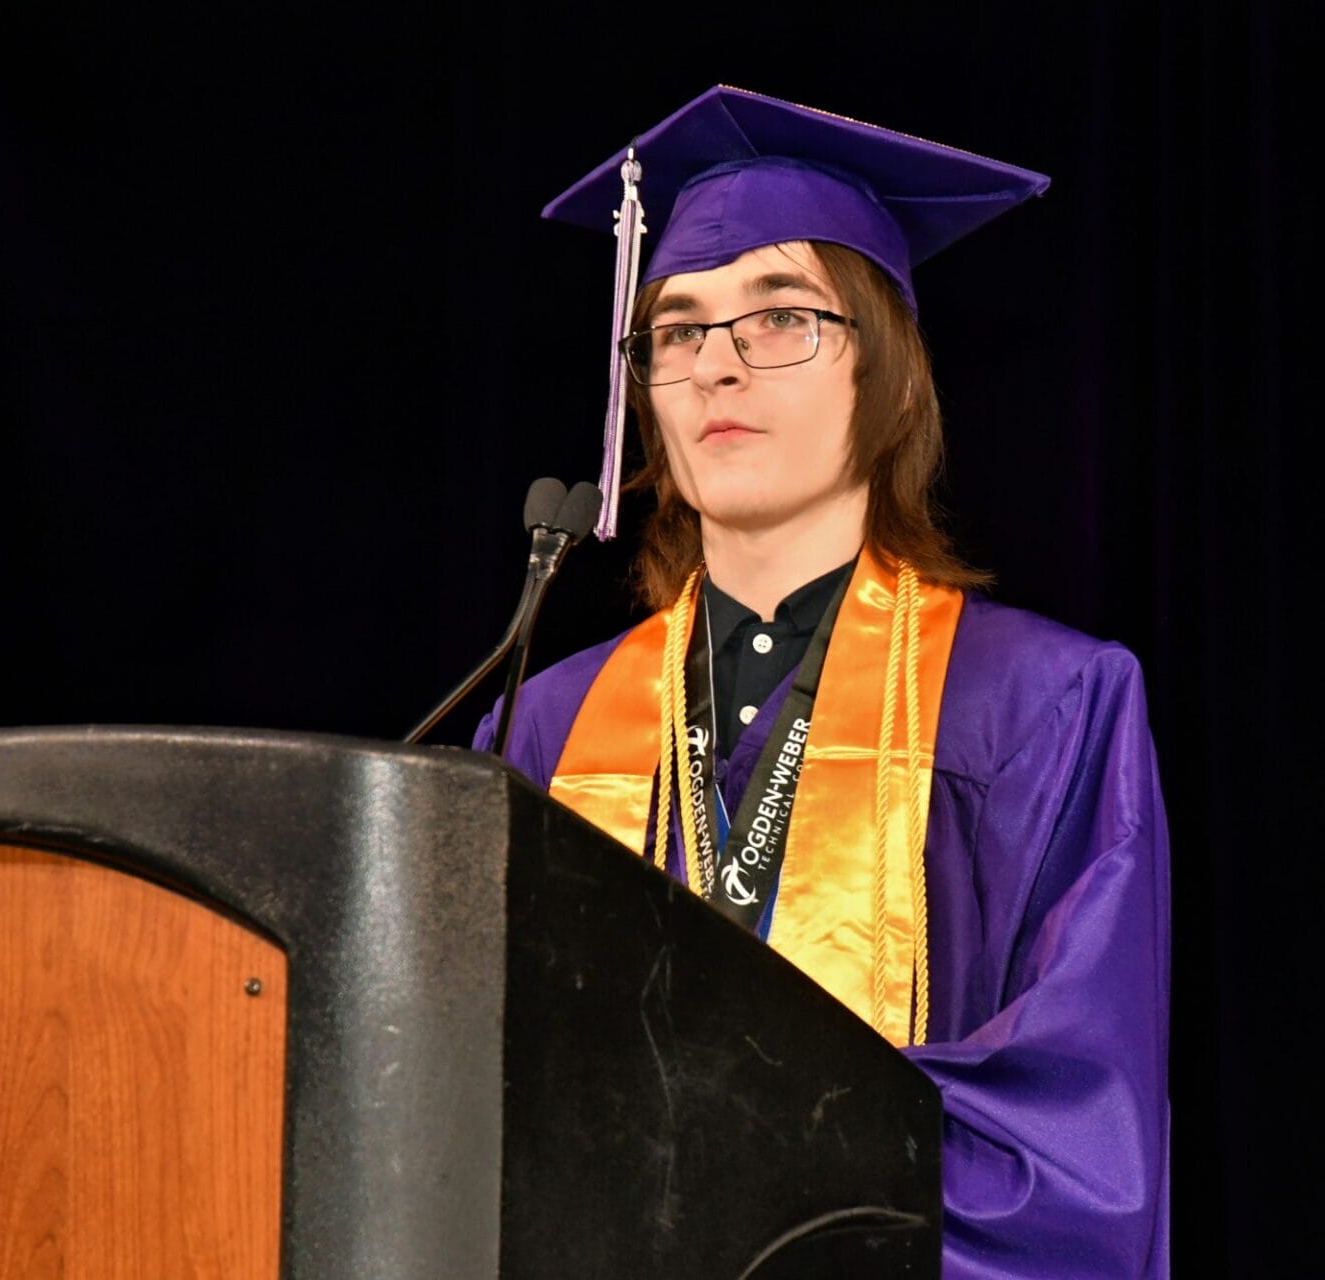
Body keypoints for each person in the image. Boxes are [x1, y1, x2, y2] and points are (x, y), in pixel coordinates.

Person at [476, 87, 1169, 1278]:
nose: (717, 366)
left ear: (882, 373)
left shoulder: (1047, 708)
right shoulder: (539, 724)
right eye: (677, 330)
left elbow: (1073, 1146)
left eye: (780, 317)